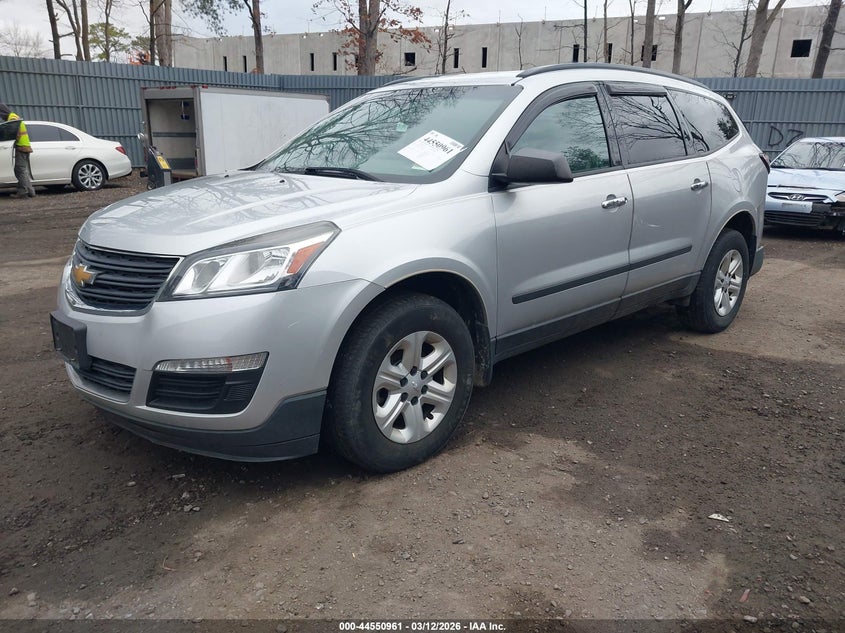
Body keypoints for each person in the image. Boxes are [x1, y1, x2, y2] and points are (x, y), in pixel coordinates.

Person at [0, 102, 36, 198]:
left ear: (3, 112)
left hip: (22, 147)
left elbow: (15, 133)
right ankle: (31, 192)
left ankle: (23, 192)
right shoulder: (14, 116)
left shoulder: (12, 118)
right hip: (24, 146)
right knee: (22, 170)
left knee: (20, 170)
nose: (1, 118)